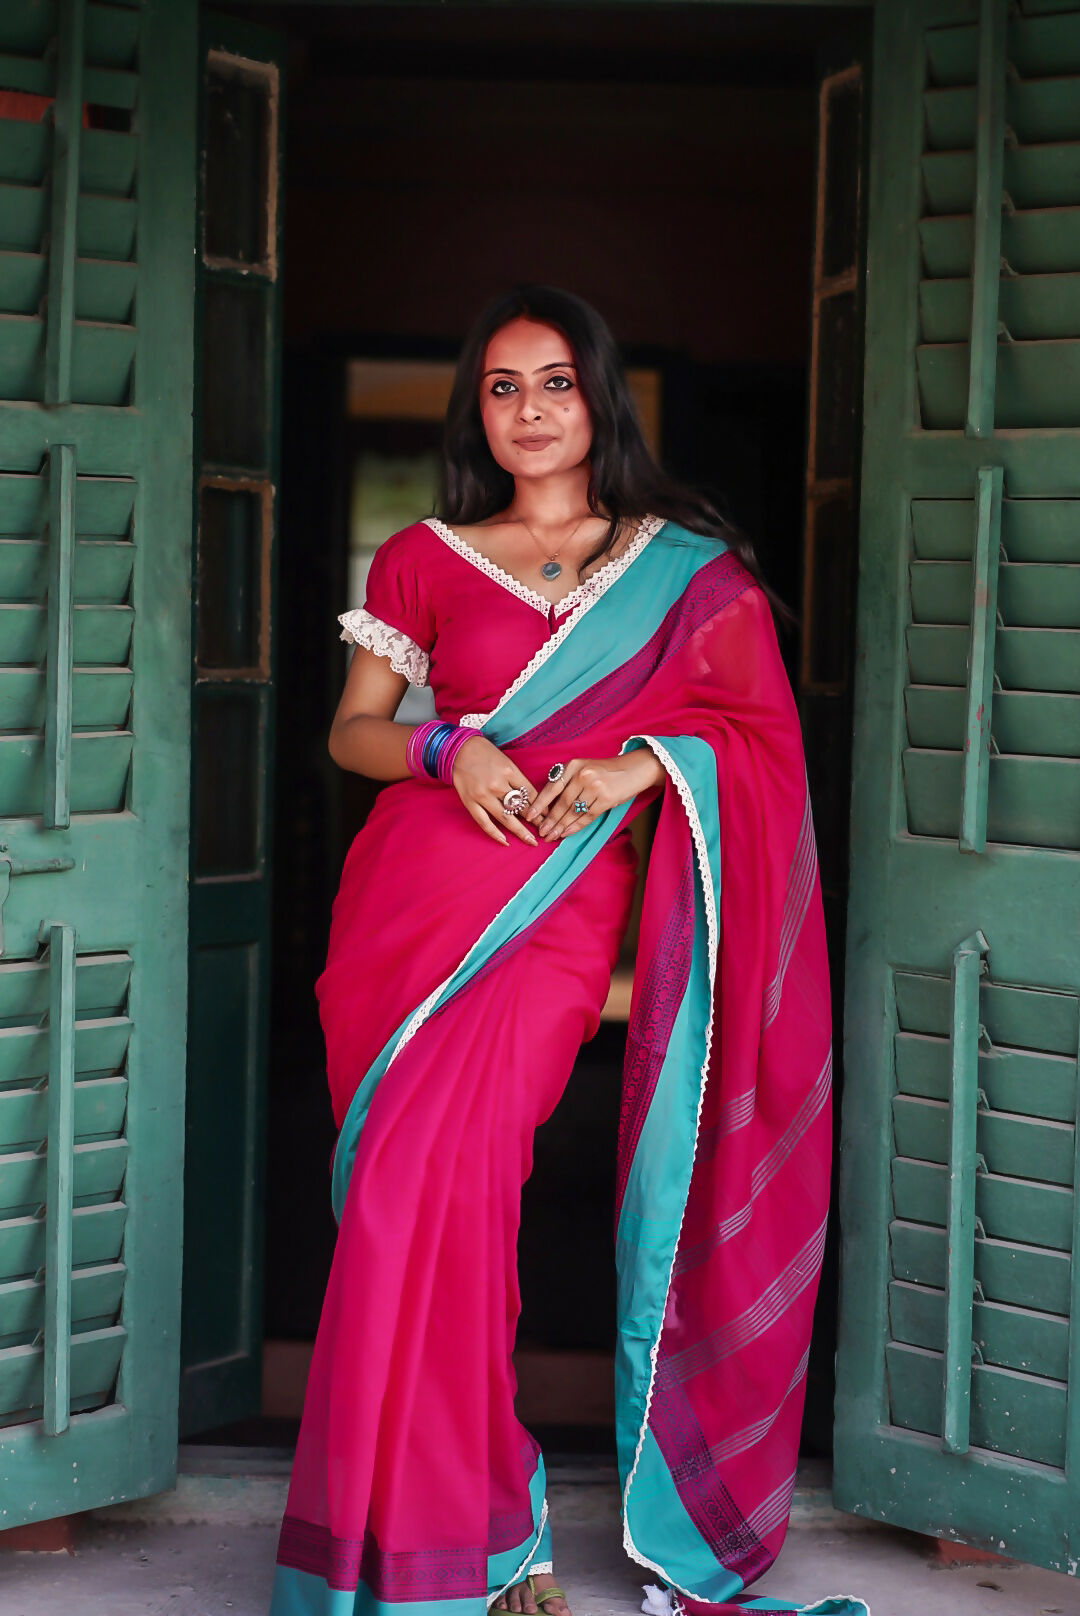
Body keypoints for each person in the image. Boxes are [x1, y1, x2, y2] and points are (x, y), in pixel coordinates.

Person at [268, 286, 868, 1616]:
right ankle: (474, 1532)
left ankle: (484, 1523)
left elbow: (759, 741)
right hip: (414, 905)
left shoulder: (686, 573)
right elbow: (353, 732)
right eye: (501, 387)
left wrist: (637, 769)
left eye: (554, 382)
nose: (530, 410)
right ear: (474, 408)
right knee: (393, 1206)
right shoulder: (422, 557)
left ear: (600, 397)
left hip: (555, 912)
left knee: (464, 1185)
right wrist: (445, 743)